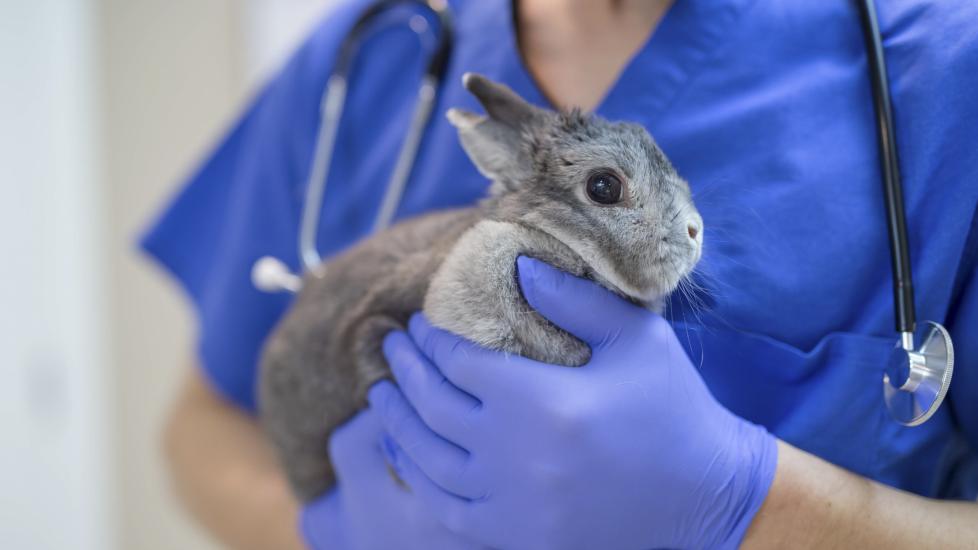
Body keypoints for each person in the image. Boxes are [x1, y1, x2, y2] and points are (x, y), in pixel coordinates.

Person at [143, 0, 978, 548]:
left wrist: (749, 502)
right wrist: (326, 532)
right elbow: (201, 426)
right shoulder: (372, 51)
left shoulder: (944, 70)